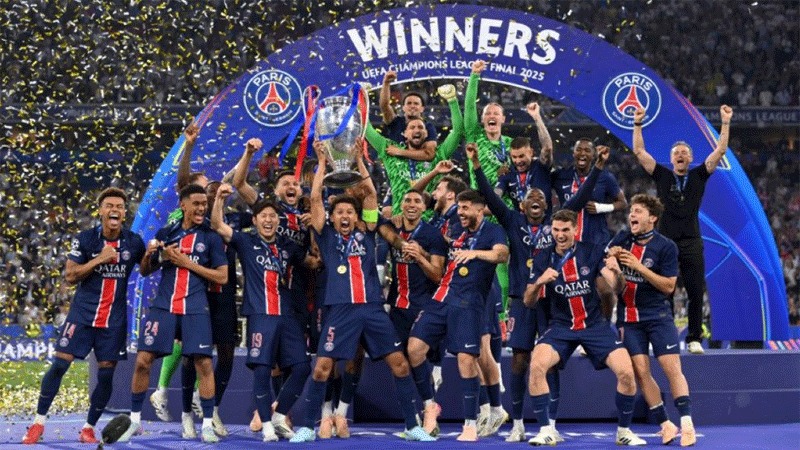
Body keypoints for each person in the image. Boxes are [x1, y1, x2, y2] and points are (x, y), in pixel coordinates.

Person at [289, 140, 435, 443]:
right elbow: (315, 198)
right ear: (332, 217)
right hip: (340, 309)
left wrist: (358, 160)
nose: (344, 216)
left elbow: (370, 194)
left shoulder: (368, 232)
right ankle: (306, 427)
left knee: (400, 364)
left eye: (349, 212)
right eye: (339, 212)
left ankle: (412, 425)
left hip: (372, 309)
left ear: (356, 217)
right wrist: (322, 164)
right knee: (322, 368)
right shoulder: (325, 235)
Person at [470, 143, 610, 442]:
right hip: (523, 300)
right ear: (522, 206)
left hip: (553, 302)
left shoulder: (555, 223)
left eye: (541, 197)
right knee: (520, 360)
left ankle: (551, 424)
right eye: (529, 197)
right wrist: (477, 166)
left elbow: (581, 197)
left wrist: (598, 167)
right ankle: (518, 423)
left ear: (548, 206)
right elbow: (491, 197)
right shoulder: (513, 220)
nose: (535, 198)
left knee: (550, 362)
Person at [22, 188, 146, 445]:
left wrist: (156, 254)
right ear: (100, 211)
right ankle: (38, 423)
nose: (115, 209)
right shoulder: (86, 239)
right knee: (60, 365)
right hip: (82, 315)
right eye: (109, 205)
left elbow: (146, 269)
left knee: (106, 376)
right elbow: (70, 276)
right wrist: (99, 259)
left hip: (113, 320)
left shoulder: (134, 242)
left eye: (120, 206)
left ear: (125, 213)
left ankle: (88, 428)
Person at [524, 209, 646, 446]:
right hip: (561, 326)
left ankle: (624, 432)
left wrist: (617, 271)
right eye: (556, 230)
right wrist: (539, 282)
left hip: (593, 325)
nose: (560, 235)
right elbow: (528, 301)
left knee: (626, 371)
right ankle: (546, 430)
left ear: (576, 229)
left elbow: (616, 288)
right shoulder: (542, 257)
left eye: (565, 230)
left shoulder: (591, 251)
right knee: (537, 365)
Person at [119, 184, 228, 444]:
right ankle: (134, 421)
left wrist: (187, 263)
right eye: (196, 204)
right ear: (183, 205)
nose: (201, 208)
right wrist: (149, 256)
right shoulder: (166, 233)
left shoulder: (211, 237)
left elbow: (222, 277)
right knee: (143, 360)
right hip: (164, 306)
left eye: (204, 204)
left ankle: (207, 425)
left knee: (203, 364)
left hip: (195, 307)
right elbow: (146, 270)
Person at [210, 183, 315, 442]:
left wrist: (314, 227)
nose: (268, 220)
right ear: (255, 220)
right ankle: (267, 424)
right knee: (262, 370)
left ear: (278, 221)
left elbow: (314, 262)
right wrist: (220, 199)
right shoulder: (246, 241)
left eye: (273, 216)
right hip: (260, 314)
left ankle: (278, 415)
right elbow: (218, 225)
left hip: (287, 314)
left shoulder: (287, 246)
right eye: (263, 216)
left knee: (302, 367)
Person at [406, 189, 509, 442]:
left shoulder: (492, 231)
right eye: (459, 207)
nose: (460, 212)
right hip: (441, 297)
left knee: (467, 359)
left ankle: (471, 424)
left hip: (469, 302)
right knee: (414, 349)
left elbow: (502, 254)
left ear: (479, 209)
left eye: (465, 208)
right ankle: (430, 405)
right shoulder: (457, 231)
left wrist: (476, 254)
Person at [631, 105, 733, 354]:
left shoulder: (699, 175)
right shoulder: (662, 175)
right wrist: (637, 123)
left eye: (684, 153)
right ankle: (663, 337)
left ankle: (694, 338)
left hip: (691, 241)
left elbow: (720, 150)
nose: (680, 155)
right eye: (676, 153)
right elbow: (639, 151)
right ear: (671, 158)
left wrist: (725, 122)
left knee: (695, 291)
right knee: (662, 291)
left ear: (690, 158)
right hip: (665, 242)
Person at [607, 194, 697, 446]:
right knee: (641, 372)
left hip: (657, 316)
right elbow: (609, 269)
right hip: (629, 318)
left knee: (671, 369)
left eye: (638, 211)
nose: (632, 215)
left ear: (652, 218)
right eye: (631, 211)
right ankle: (665, 424)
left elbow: (668, 286)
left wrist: (638, 267)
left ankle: (687, 424)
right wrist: (612, 261)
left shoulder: (666, 246)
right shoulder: (622, 238)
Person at [366, 84, 463, 217]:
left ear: (426, 133)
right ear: (405, 134)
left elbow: (457, 132)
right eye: (412, 127)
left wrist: (452, 100)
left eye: (421, 127)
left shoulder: (438, 155)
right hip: (399, 221)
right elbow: (367, 128)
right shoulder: (390, 150)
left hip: (427, 221)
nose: (417, 129)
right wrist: (362, 101)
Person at [494, 103, 554, 214]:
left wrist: (537, 117)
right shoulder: (507, 173)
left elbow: (547, 148)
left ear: (531, 152)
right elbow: (496, 196)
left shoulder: (540, 167)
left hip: (544, 222)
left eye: (521, 156)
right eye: (514, 157)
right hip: (519, 223)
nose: (518, 161)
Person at [379, 69, 438, 153]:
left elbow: (429, 153)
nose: (412, 106)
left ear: (422, 108)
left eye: (416, 103)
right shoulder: (395, 122)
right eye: (409, 103)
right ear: (403, 107)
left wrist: (399, 152)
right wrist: (386, 83)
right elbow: (384, 106)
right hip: (394, 161)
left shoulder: (428, 126)